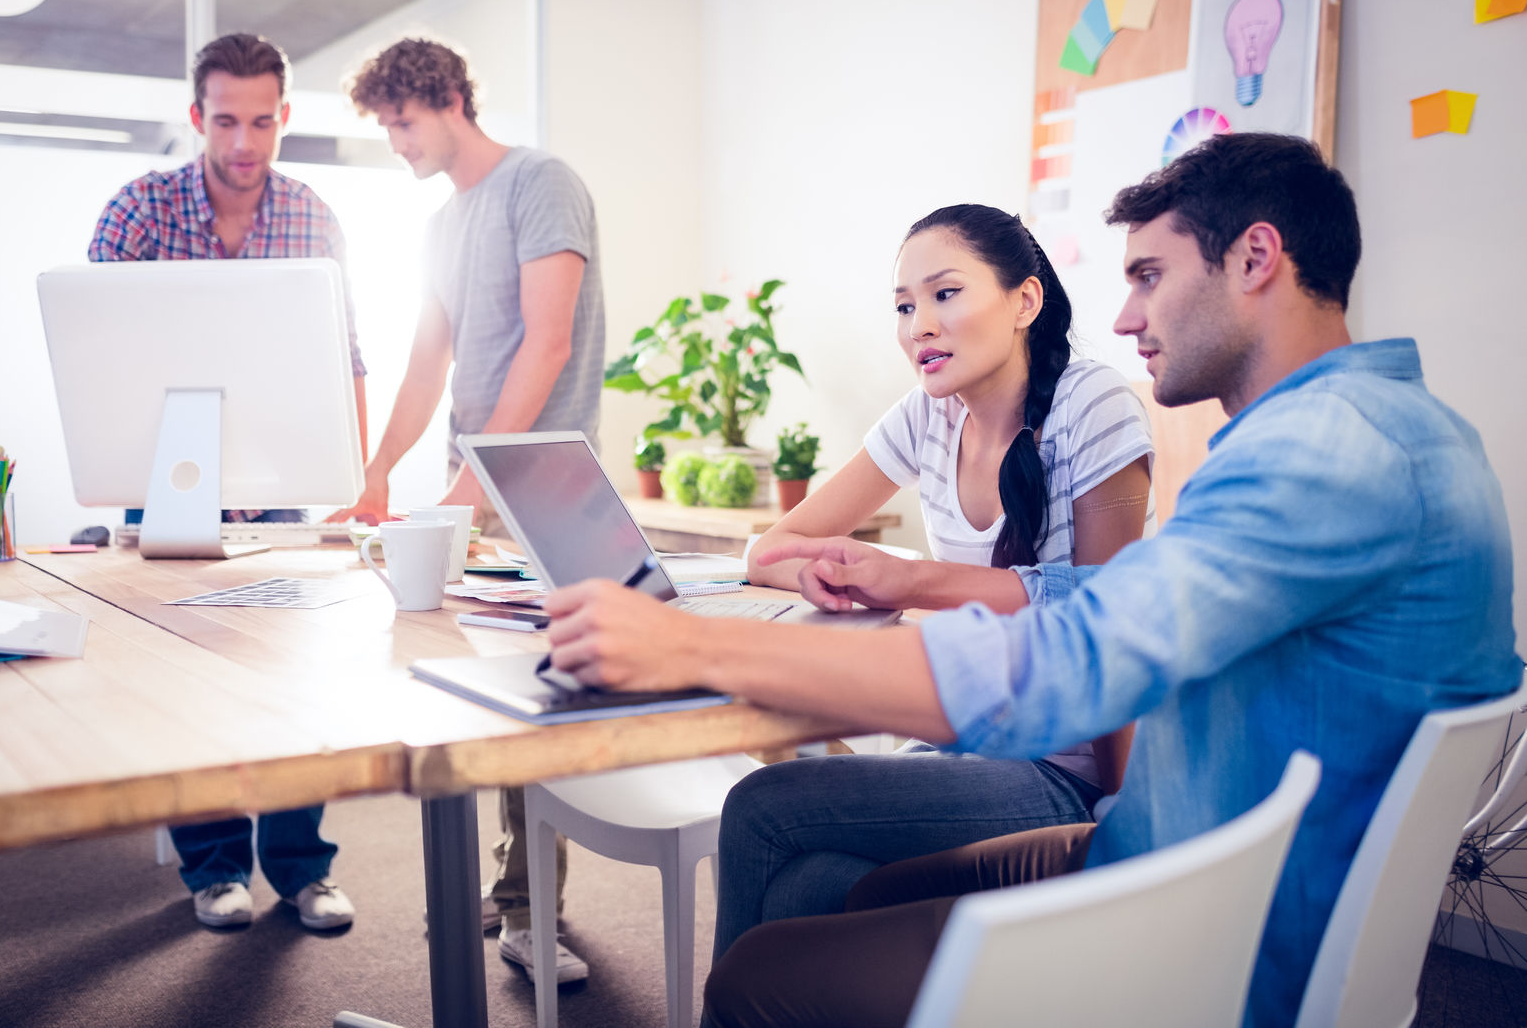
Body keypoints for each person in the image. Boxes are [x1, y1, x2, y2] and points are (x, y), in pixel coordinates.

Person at [540, 133, 1520, 1027]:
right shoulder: (1377, 429)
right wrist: (916, 582)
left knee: (760, 975)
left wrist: (694, 643)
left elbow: (1067, 667)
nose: (1127, 314)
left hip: (1206, 927)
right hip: (1162, 847)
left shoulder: (1323, 455)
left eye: (1148, 275)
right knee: (811, 892)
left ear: (1256, 258)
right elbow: (1110, 602)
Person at [729, 203, 1152, 936]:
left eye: (944, 293)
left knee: (760, 805)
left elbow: (1112, 624)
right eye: (903, 305)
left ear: (1025, 300)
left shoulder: (1094, 403)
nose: (917, 324)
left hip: (1063, 771)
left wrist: (1122, 832)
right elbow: (769, 550)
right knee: (809, 887)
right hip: (963, 740)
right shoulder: (928, 415)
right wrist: (815, 572)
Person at [332, 37, 605, 985]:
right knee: (472, 693)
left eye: (403, 122)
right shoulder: (443, 225)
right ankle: (506, 883)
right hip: (478, 490)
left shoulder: (542, 183)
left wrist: (468, 485)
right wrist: (375, 475)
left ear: (450, 99)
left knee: (536, 701)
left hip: (542, 486)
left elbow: (549, 343)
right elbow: (424, 365)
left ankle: (534, 913)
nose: (397, 143)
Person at [89, 32, 364, 932]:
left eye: (261, 121)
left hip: (277, 484)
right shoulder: (140, 210)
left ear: (284, 116)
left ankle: (301, 868)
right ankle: (214, 869)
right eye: (224, 120)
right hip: (167, 481)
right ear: (195, 116)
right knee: (187, 683)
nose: (244, 142)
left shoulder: (311, 215)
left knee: (291, 680)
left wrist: (357, 477)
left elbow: (344, 355)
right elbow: (99, 360)